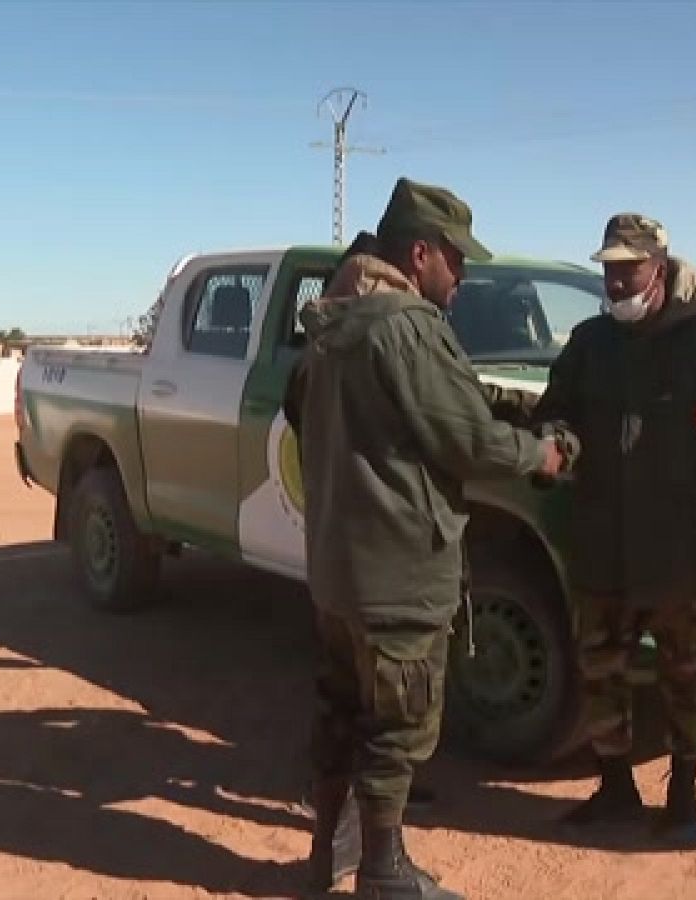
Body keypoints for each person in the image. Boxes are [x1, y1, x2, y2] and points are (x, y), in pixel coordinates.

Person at [291, 176, 564, 899]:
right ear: (419, 254)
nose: (463, 274)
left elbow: (339, 412)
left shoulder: (332, 324)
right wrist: (546, 454)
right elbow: (469, 442)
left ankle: (328, 855)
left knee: (341, 713)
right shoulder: (407, 327)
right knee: (397, 726)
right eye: (455, 258)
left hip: (338, 568)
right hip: (399, 572)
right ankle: (384, 872)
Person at [532, 213, 696, 841]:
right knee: (600, 667)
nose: (616, 283)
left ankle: (684, 794)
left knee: (687, 673)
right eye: (608, 270)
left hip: (680, 547)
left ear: (659, 268)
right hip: (602, 543)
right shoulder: (588, 343)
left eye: (628, 270)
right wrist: (554, 441)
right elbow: (558, 414)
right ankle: (615, 787)